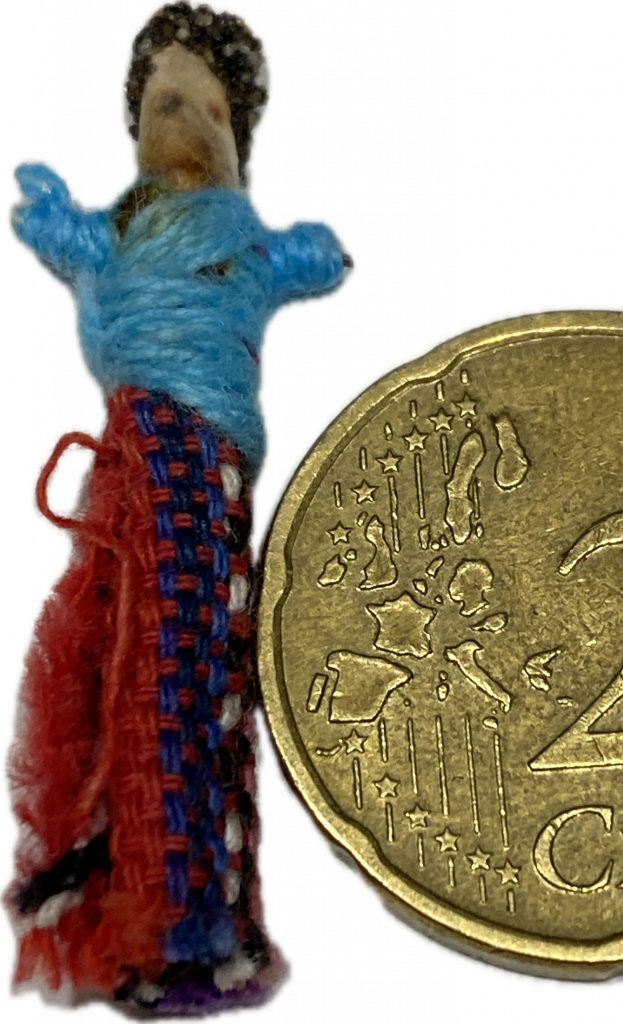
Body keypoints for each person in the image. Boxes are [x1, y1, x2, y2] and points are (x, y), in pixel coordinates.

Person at [2, 2, 355, 1014]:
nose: (188, 122)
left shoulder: (246, 240)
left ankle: (195, 914)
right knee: (140, 652)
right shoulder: (117, 228)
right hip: (140, 455)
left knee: (195, 653)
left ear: (239, 134)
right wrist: (45, 209)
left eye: (209, 109)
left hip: (210, 469)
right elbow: (60, 233)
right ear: (135, 122)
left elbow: (313, 263)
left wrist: (311, 253)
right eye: (167, 103)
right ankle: (155, 912)